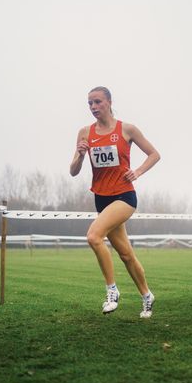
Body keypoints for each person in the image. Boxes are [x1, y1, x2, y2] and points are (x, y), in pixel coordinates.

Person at [70, 86, 161, 318]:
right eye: (89, 103)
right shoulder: (84, 133)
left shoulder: (127, 129)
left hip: (124, 197)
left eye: (98, 102)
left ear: (109, 102)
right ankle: (147, 295)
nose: (93, 107)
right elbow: (73, 171)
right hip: (101, 198)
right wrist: (80, 155)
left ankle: (112, 291)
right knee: (126, 254)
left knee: (93, 236)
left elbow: (154, 154)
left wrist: (137, 172)